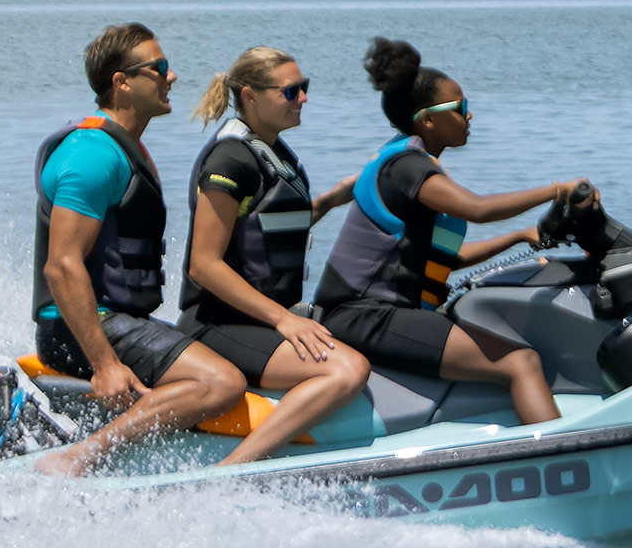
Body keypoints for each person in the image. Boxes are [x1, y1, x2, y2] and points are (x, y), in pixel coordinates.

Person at [313, 37, 595, 426]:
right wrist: (557, 189)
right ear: (428, 120)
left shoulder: (404, 156)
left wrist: (520, 236)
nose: (470, 116)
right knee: (521, 361)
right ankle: (564, 461)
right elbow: (478, 209)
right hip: (367, 316)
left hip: (372, 312)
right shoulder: (410, 168)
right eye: (461, 108)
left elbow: (444, 260)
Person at [30, 23, 247, 477]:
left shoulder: (125, 149)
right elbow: (62, 266)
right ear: (121, 82)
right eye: (159, 68)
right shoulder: (91, 153)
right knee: (221, 381)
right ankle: (76, 459)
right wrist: (105, 365)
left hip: (119, 321)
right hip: (81, 330)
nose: (171, 78)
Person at [175, 47, 375, 459]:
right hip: (218, 324)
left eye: (304, 88)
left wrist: (334, 199)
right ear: (250, 95)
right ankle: (235, 469)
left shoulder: (274, 153)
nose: (303, 98)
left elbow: (268, 231)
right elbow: (204, 264)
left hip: (258, 319)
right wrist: (285, 320)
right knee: (349, 369)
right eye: (291, 91)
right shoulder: (230, 159)